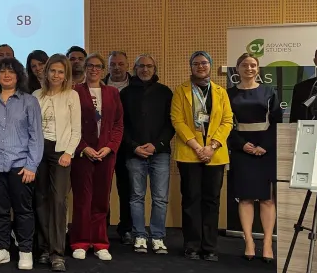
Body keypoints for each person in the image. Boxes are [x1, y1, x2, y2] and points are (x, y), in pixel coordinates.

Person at [0, 58, 44, 271]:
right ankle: (2, 249)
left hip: (21, 165)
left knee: (23, 211)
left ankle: (25, 251)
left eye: (11, 72)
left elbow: (36, 136)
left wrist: (32, 165)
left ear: (18, 76)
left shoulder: (29, 101)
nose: (6, 75)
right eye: (3, 72)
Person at [171, 51, 233, 262]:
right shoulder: (181, 91)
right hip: (190, 153)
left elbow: (227, 121)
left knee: (211, 201)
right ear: (190, 67)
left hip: (215, 154)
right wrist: (198, 147)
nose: (200, 66)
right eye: (196, 63)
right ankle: (192, 246)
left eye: (204, 63)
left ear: (210, 66)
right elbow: (177, 121)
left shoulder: (221, 92)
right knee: (190, 200)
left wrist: (213, 145)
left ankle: (210, 247)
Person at [69, 53, 124, 261]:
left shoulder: (112, 93)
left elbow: (118, 124)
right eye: (90, 65)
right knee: (83, 200)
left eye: (98, 66)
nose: (93, 69)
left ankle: (100, 242)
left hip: (105, 155)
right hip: (82, 154)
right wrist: (83, 147)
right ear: (84, 68)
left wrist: (110, 147)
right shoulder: (75, 91)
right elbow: (70, 124)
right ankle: (80, 242)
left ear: (103, 69)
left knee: (101, 200)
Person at [228, 53, 282, 262]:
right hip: (241, 147)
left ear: (258, 69)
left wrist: (264, 146)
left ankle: (267, 243)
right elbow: (225, 123)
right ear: (237, 68)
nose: (249, 68)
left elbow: (277, 121)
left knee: (267, 199)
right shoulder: (228, 93)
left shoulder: (269, 91)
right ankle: (249, 241)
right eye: (244, 65)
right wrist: (242, 145)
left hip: (265, 147)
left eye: (253, 65)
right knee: (245, 197)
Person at [120, 54, 174, 254]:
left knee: (160, 198)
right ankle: (140, 236)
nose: (145, 69)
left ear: (155, 68)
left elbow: (171, 124)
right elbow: (121, 125)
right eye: (141, 66)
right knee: (136, 197)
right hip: (134, 153)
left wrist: (157, 145)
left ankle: (158, 237)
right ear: (134, 68)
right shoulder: (125, 93)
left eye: (149, 66)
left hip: (160, 152)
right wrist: (133, 146)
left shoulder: (165, 92)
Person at [32, 54, 81, 271]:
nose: (56, 75)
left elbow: (76, 130)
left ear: (66, 75)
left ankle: (57, 252)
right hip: (39, 151)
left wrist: (69, 152)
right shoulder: (35, 96)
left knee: (59, 201)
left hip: (61, 152)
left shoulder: (72, 95)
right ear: (46, 72)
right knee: (40, 199)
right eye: (53, 70)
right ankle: (43, 249)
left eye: (61, 72)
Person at [104, 51, 133, 244]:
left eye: (120, 64)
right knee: (102, 189)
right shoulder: (100, 85)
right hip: (104, 146)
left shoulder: (136, 86)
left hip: (129, 146)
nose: (116, 67)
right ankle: (101, 228)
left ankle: (126, 229)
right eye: (113, 64)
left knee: (127, 189)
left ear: (127, 65)